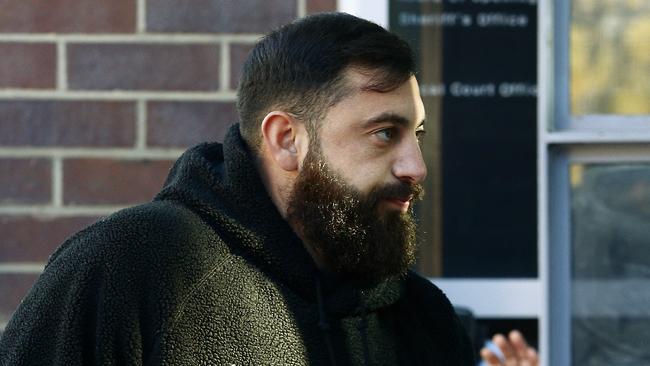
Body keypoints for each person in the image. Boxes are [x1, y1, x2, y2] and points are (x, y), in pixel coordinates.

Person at [0, 12, 535, 366]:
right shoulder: (136, 267)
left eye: (416, 133)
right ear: (286, 140)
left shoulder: (423, 319)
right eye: (383, 133)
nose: (415, 166)